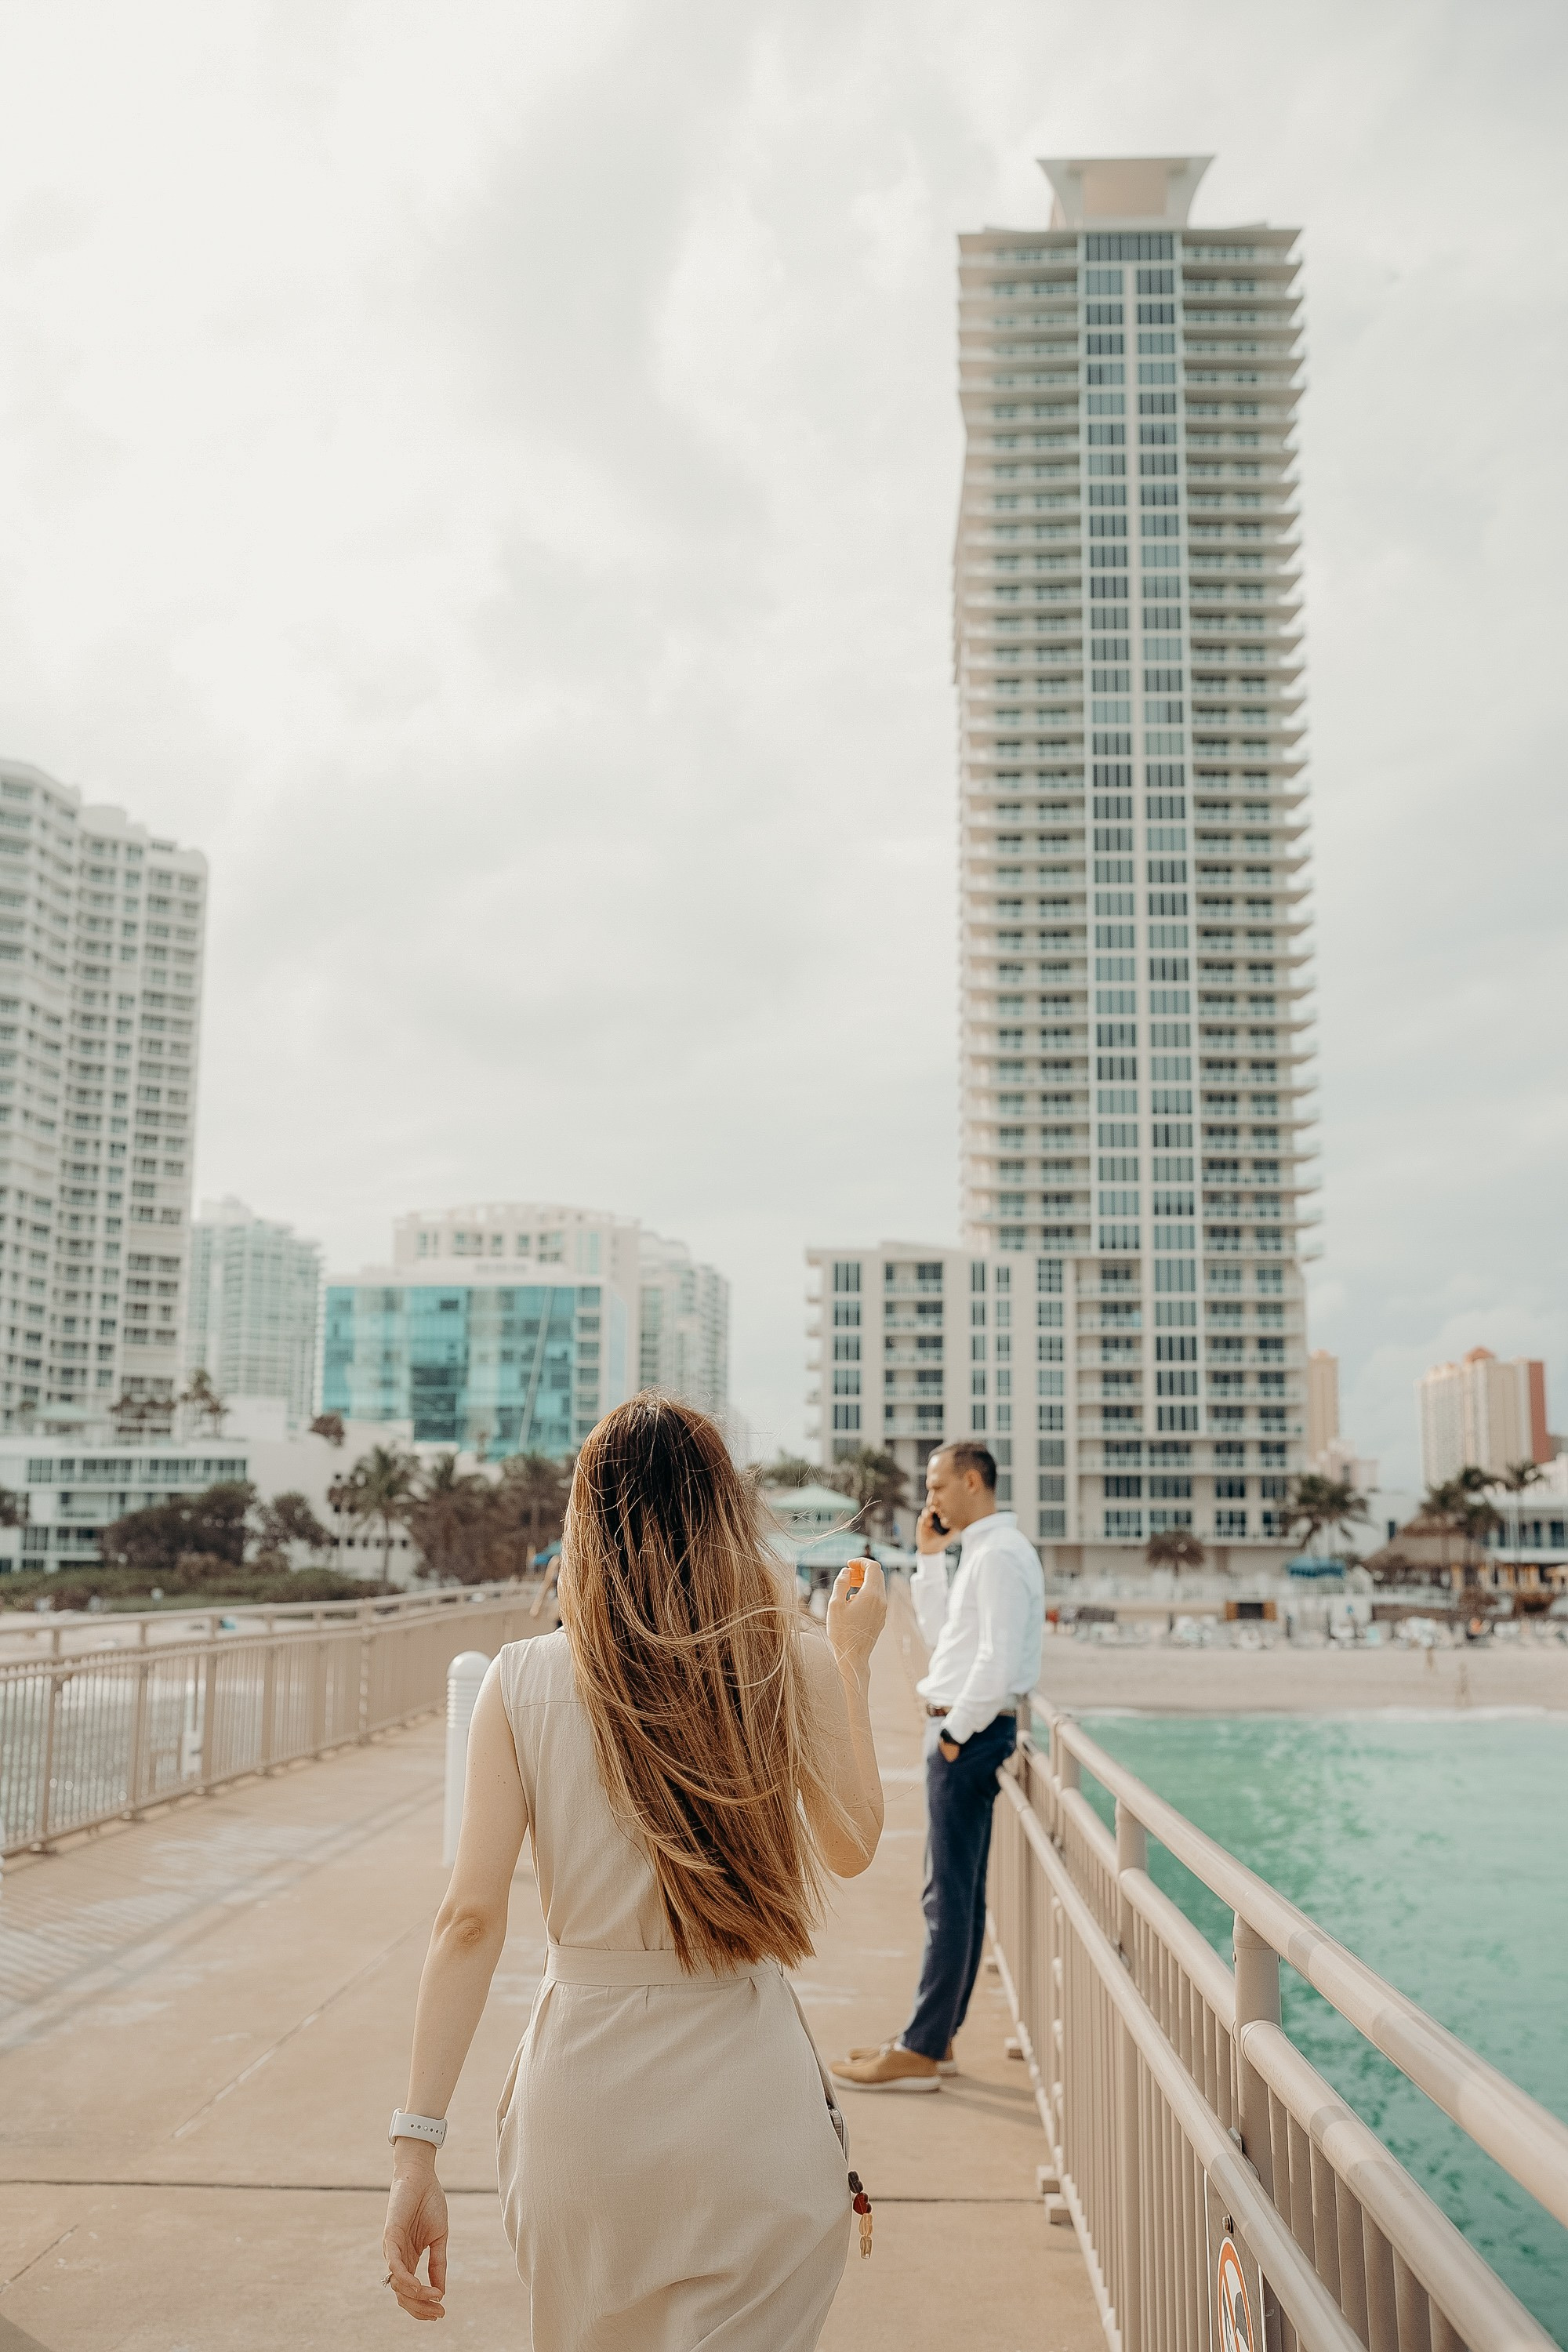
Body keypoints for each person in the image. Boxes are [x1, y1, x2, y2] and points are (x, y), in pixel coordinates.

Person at [380, 1395, 887, 2345]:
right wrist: (851, 1663)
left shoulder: (520, 1677)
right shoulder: (792, 1656)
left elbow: (469, 1922)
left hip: (583, 2109)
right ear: (723, 1513)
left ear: (585, 1517)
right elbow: (852, 1846)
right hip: (752, 2107)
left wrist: (417, 2148)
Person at [830, 1441, 1043, 2093]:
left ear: (973, 1483)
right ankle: (936, 2036)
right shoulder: (983, 1551)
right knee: (954, 1893)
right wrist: (926, 1560)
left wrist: (952, 1735)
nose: (930, 1501)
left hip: (968, 1734)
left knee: (946, 1896)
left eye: (938, 1488)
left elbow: (998, 1661)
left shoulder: (1001, 1556)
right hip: (964, 1726)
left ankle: (923, 2050)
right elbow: (952, 1638)